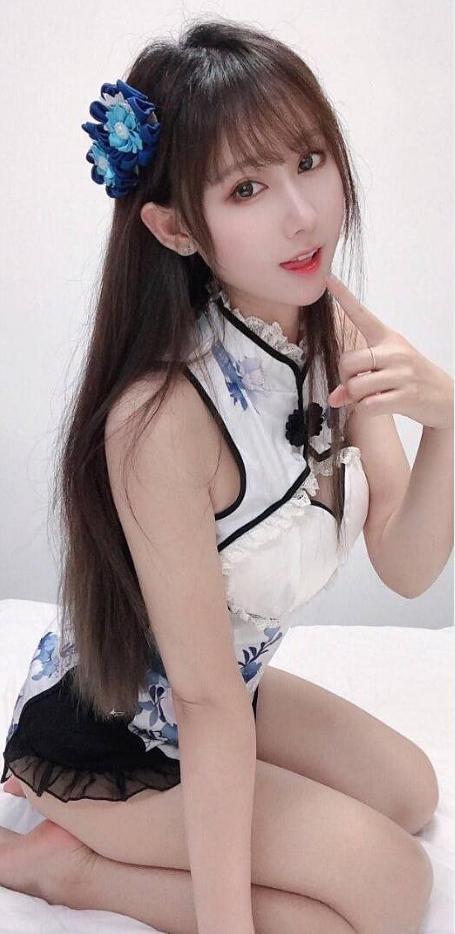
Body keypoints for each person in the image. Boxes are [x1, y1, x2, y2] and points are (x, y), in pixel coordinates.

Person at [0, 15, 451, 934]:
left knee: (411, 790)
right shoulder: (161, 418)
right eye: (247, 187)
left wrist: (446, 423)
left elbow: (405, 565)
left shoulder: (328, 322)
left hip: (222, 692)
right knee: (391, 887)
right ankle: (68, 868)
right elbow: (202, 704)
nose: (301, 213)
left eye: (309, 161)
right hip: (115, 743)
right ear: (172, 226)